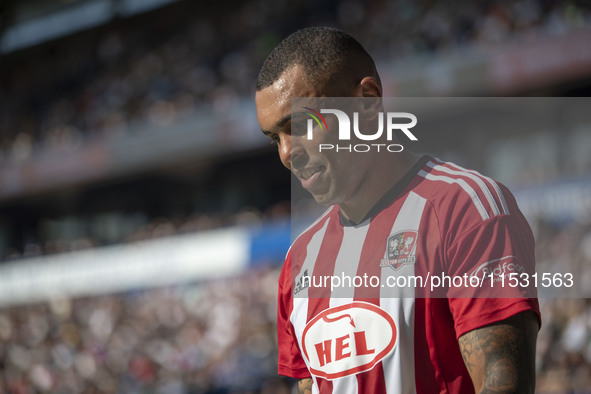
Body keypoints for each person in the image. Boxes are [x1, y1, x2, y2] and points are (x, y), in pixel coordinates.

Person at [255, 27, 540, 394]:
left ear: (368, 101)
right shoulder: (299, 262)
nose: (286, 152)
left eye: (301, 124)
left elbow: (503, 385)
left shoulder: (466, 209)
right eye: (275, 138)